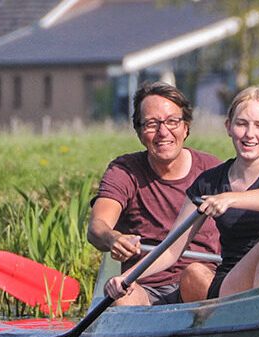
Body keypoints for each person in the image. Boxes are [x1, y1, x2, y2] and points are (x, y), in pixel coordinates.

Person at [104, 86, 259, 302]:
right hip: (234, 282)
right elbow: (172, 249)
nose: (249, 134)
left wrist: (229, 199)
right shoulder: (208, 183)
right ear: (228, 127)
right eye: (242, 124)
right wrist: (127, 278)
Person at [89, 81, 224, 306]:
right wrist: (113, 238)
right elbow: (97, 226)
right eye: (152, 124)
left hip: (199, 283)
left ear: (186, 127)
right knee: (121, 299)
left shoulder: (212, 169)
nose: (163, 132)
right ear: (140, 132)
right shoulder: (124, 171)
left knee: (195, 275)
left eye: (172, 121)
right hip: (144, 287)